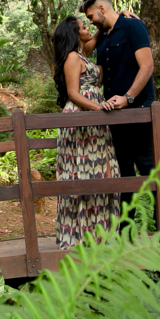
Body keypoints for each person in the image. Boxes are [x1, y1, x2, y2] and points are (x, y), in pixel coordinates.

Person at [51, 15, 121, 249]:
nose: (88, 27)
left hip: (94, 120)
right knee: (83, 175)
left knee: (103, 173)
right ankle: (80, 237)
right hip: (81, 119)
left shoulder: (82, 54)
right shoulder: (72, 58)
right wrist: (99, 108)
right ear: (75, 34)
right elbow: (73, 93)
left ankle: (100, 236)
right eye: (83, 27)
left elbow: (98, 33)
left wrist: (116, 17)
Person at [80, 0, 156, 203]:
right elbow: (86, 56)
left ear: (102, 9)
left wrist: (128, 97)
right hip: (114, 114)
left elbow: (147, 66)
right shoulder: (103, 37)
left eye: (91, 17)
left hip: (139, 110)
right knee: (123, 170)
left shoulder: (133, 26)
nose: (91, 22)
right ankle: (126, 223)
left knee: (147, 165)